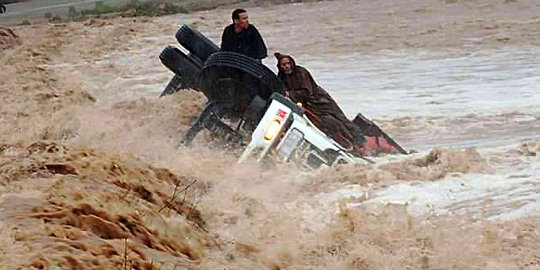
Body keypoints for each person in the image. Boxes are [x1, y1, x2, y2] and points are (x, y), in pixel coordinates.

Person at [275, 52, 366, 152]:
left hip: (321, 100)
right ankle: (347, 144)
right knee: (329, 123)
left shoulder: (301, 72)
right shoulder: (281, 78)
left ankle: (360, 141)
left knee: (341, 118)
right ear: (280, 66)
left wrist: (290, 94)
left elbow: (307, 91)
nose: (287, 66)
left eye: (288, 63)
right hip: (309, 107)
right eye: (284, 65)